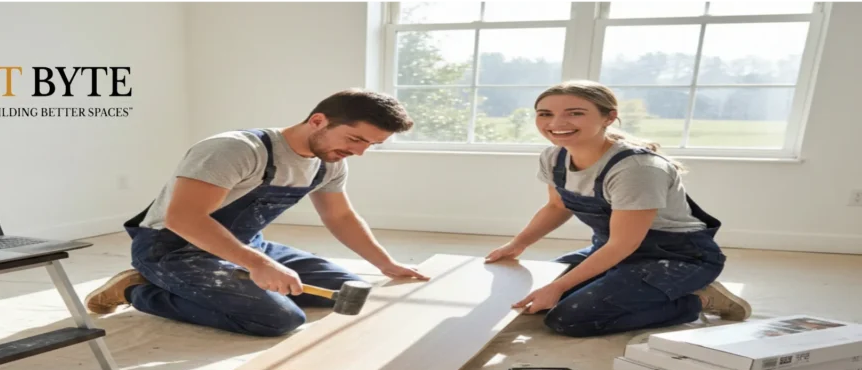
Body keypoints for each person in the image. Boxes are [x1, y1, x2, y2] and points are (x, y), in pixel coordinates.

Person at [85, 88, 428, 337]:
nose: (360, 152)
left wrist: (385, 264)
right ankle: (138, 289)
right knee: (278, 319)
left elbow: (340, 217)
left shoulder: (330, 161)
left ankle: (231, 273)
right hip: (174, 250)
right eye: (355, 139)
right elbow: (183, 219)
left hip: (246, 244)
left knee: (348, 287)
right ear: (318, 121)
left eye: (370, 144)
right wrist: (257, 265)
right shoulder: (237, 150)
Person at [486, 80, 751, 338]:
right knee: (534, 294)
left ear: (608, 117)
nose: (555, 124)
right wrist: (517, 244)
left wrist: (559, 286)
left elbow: (623, 244)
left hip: (678, 257)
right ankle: (642, 289)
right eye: (545, 114)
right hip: (610, 248)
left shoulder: (637, 169)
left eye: (575, 113)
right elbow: (557, 206)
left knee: (569, 319)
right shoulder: (554, 156)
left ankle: (697, 300)